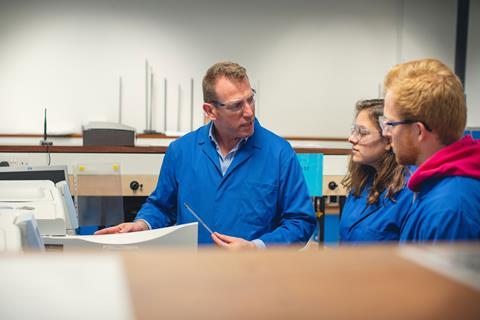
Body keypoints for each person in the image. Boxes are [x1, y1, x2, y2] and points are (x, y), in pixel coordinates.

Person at [96, 61, 316, 249]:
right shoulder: (181, 151)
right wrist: (142, 224)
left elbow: (301, 222)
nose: (249, 112)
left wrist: (255, 248)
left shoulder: (279, 153)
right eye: (237, 105)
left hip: (254, 277)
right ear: (210, 111)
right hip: (194, 277)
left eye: (251, 100)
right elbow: (161, 206)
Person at [381, 58, 480, 242]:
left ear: (418, 131)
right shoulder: (436, 185)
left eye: (390, 124)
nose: (386, 133)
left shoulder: (451, 210)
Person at [340, 99, 414, 243]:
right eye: (354, 130)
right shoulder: (362, 183)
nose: (352, 139)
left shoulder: (409, 194)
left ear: (388, 140)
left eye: (362, 132)